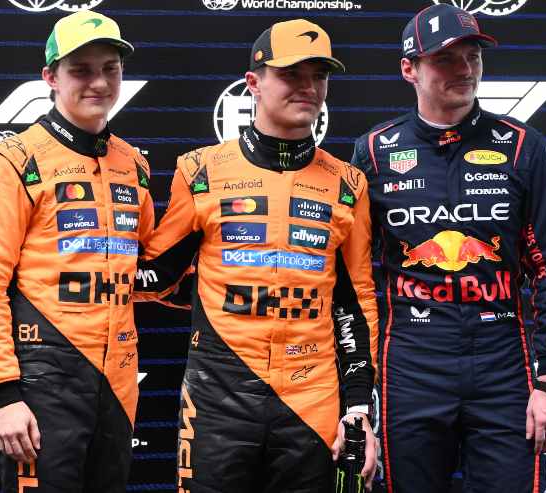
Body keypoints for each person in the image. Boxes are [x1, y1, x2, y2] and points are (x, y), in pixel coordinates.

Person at [134, 19, 378, 492]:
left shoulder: (349, 183)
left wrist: (357, 409)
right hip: (218, 395)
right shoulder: (200, 170)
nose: (308, 87)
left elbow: (354, 303)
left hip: (312, 395)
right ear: (254, 82)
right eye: (291, 74)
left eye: (319, 75)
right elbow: (159, 274)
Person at [350, 4, 546, 493]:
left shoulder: (523, 146)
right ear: (409, 69)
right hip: (411, 364)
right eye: (445, 59)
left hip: (503, 364)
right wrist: (357, 398)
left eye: (473, 56)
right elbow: (355, 278)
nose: (465, 70)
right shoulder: (373, 152)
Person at [0, 10, 153, 492]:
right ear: (50, 77)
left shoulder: (134, 164)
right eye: (81, 70)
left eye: (110, 69)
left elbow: (150, 264)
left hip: (118, 381)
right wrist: (5, 394)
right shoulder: (12, 162)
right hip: (42, 381)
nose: (99, 83)